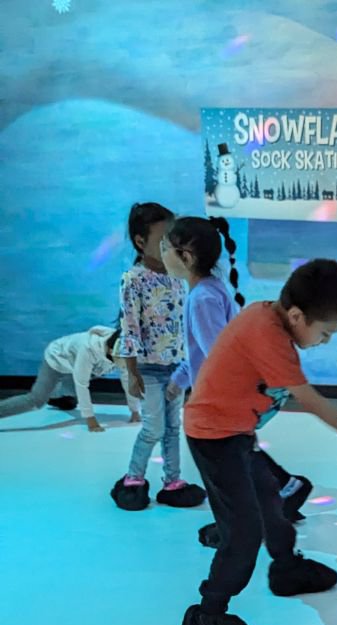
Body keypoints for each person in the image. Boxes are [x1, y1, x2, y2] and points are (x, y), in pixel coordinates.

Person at [180, 258, 337, 625]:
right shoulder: (269, 337)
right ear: (296, 315)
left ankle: (287, 566)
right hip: (214, 438)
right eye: (325, 334)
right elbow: (308, 399)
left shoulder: (269, 318)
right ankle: (209, 613)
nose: (325, 342)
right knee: (243, 532)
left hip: (237, 435)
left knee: (272, 500)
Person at [159, 215, 312, 547]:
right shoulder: (212, 289)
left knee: (222, 470)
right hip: (227, 397)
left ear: (185, 257)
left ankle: (234, 529)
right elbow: (208, 348)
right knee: (240, 456)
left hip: (219, 402)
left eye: (165, 247)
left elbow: (217, 352)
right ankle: (285, 488)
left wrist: (190, 384)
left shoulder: (201, 298)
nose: (162, 253)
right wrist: (183, 377)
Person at [110, 202, 205, 512]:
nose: (171, 246)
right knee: (153, 426)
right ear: (141, 241)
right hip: (148, 369)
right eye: (164, 239)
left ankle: (173, 480)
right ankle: (134, 478)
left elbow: (185, 322)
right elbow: (130, 326)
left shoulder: (179, 277)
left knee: (173, 426)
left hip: (177, 367)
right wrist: (133, 372)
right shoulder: (133, 279)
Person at [0, 326, 141, 430]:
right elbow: (81, 383)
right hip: (56, 358)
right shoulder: (88, 348)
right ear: (111, 351)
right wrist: (90, 419)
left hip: (76, 367)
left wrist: (134, 410)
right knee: (36, 400)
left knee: (70, 402)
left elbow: (127, 379)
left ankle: (55, 396)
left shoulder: (121, 350)